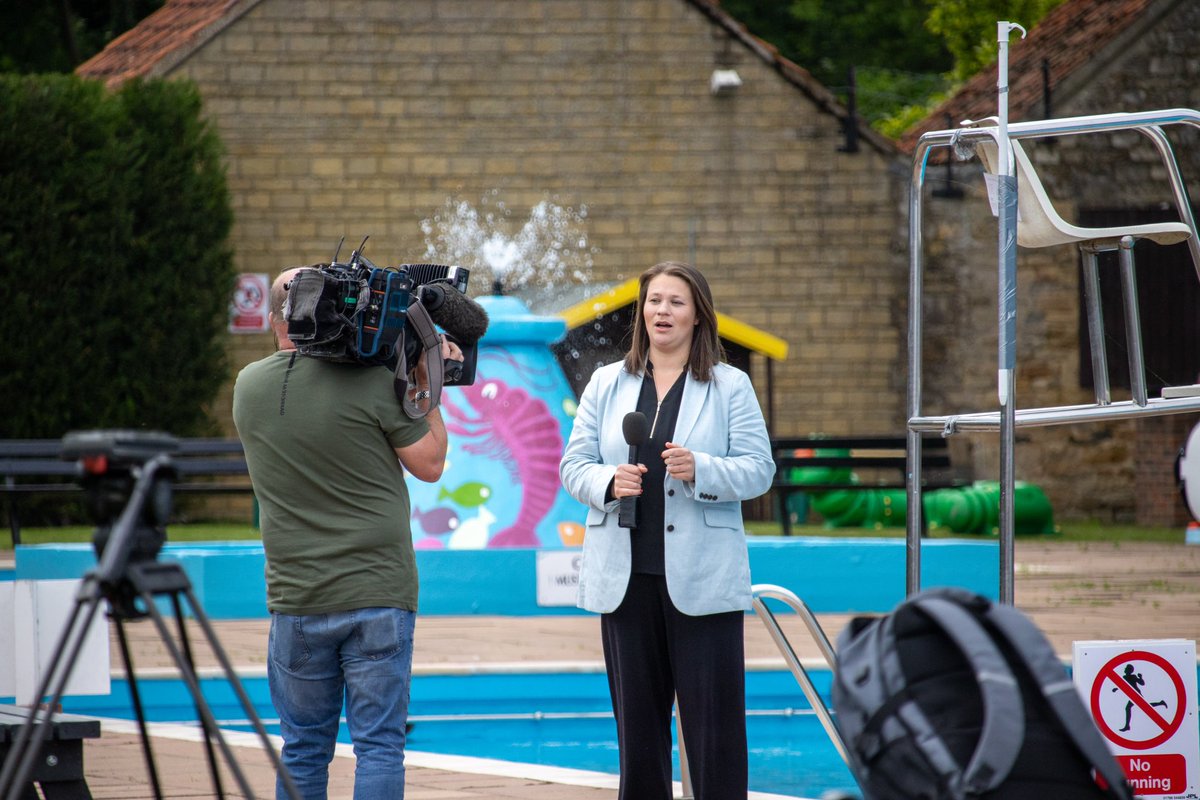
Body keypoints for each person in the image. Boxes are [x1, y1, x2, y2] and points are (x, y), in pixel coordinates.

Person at [233, 265, 460, 800]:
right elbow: (430, 464)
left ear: (275, 320)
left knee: (303, 749)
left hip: (296, 597)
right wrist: (426, 388)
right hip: (378, 592)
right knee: (378, 746)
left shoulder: (248, 386)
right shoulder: (374, 382)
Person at [559, 261, 775, 799]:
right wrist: (610, 482)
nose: (663, 311)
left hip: (703, 581)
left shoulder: (730, 386)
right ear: (642, 312)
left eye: (676, 302)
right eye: (654, 301)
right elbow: (573, 465)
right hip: (626, 581)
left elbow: (759, 469)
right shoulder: (607, 383)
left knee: (715, 735)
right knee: (638, 735)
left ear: (698, 315)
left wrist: (702, 468)